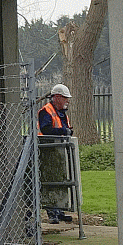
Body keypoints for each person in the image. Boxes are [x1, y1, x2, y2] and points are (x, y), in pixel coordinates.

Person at [38, 83, 75, 224]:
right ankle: (52, 212)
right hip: (47, 151)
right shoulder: (46, 111)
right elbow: (46, 130)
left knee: (60, 180)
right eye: (65, 98)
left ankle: (59, 210)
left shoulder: (61, 113)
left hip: (59, 151)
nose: (67, 101)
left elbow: (65, 128)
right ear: (57, 97)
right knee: (49, 181)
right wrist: (63, 132)